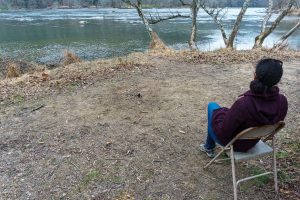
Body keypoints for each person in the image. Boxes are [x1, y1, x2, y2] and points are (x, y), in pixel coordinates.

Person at [200, 58, 288, 158]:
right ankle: (208, 146)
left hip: (233, 144)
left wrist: (220, 115)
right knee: (223, 112)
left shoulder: (244, 103)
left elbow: (224, 132)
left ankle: (209, 146)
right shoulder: (282, 101)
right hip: (252, 142)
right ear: (277, 80)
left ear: (255, 75)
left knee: (212, 107)